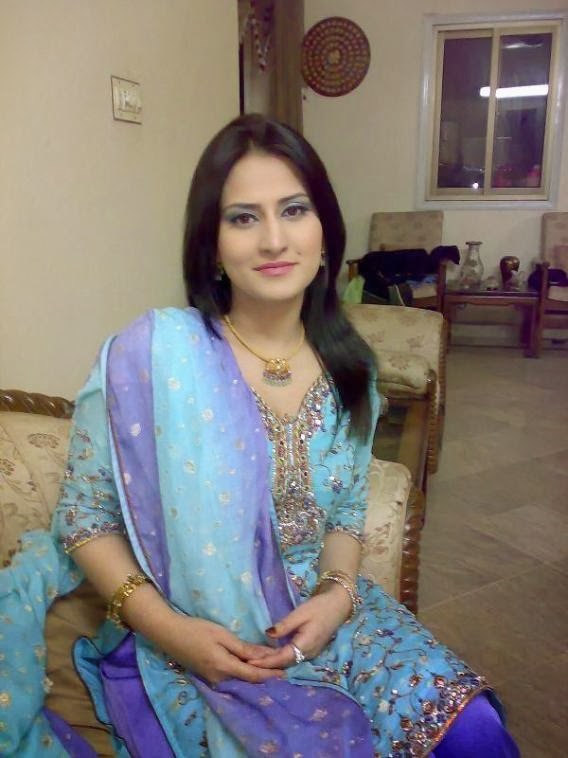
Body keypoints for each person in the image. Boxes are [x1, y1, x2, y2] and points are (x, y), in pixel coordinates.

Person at [0, 114, 519, 757]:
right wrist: (174, 633)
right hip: (199, 634)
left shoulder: (353, 370)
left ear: (325, 233)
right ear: (211, 244)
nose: (274, 239)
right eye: (243, 217)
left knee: (476, 736)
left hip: (333, 620)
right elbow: (85, 520)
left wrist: (336, 596)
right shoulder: (153, 355)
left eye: (294, 210)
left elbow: (346, 515)